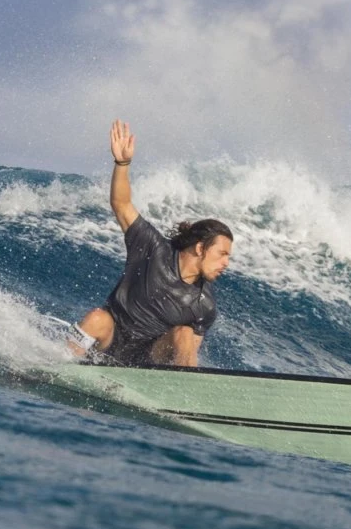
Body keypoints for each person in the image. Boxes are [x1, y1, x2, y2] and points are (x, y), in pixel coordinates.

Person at [69, 120, 233, 368]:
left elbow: (188, 352)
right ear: (200, 248)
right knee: (96, 318)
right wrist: (122, 164)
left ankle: (187, 386)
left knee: (184, 334)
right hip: (109, 341)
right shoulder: (153, 248)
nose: (226, 263)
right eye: (222, 253)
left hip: (147, 359)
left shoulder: (204, 305)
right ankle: (59, 365)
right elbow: (121, 205)